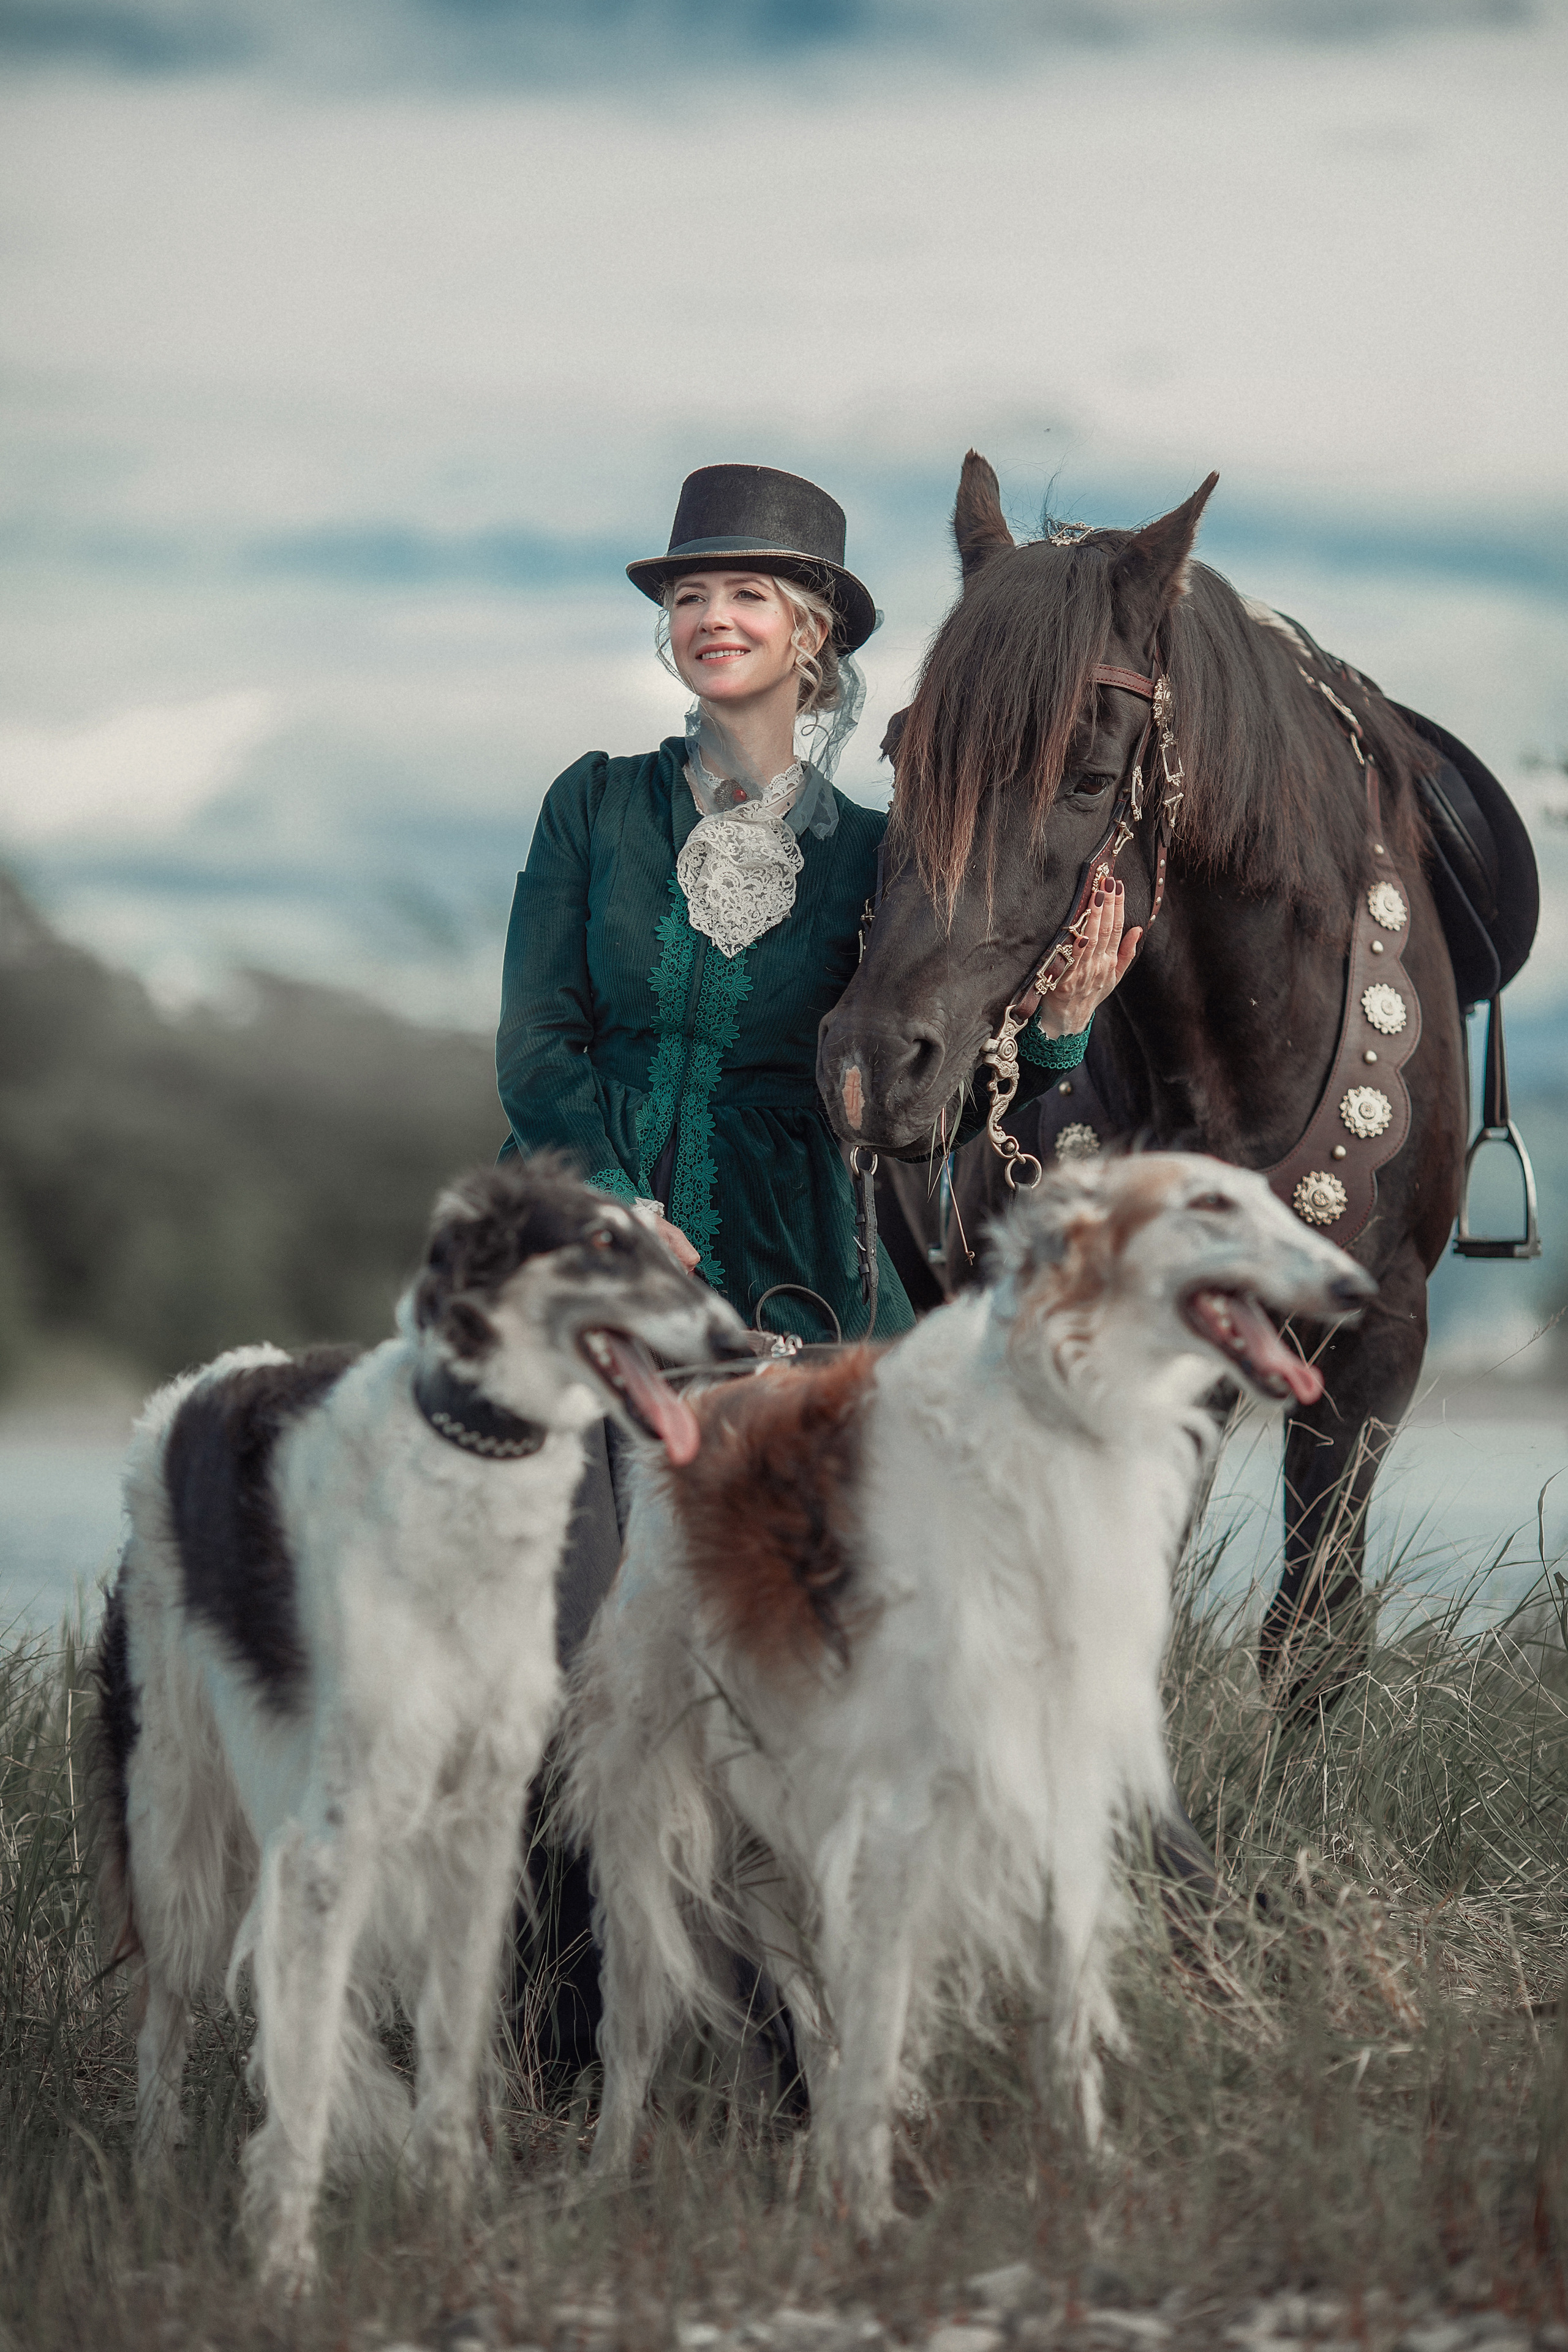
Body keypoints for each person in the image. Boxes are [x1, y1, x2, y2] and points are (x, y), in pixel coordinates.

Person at [496, 463, 1134, 2082]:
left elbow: (931, 1083)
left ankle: (804, 2056)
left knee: (794, 1678)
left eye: (749, 596)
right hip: (598, 1270)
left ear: (816, 636)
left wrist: (1063, 1032)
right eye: (689, 594)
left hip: (809, 1290)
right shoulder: (595, 807)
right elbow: (538, 1047)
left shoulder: (882, 853)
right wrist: (619, 1206)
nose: (711, 617)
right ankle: (560, 2043)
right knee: (563, 1648)